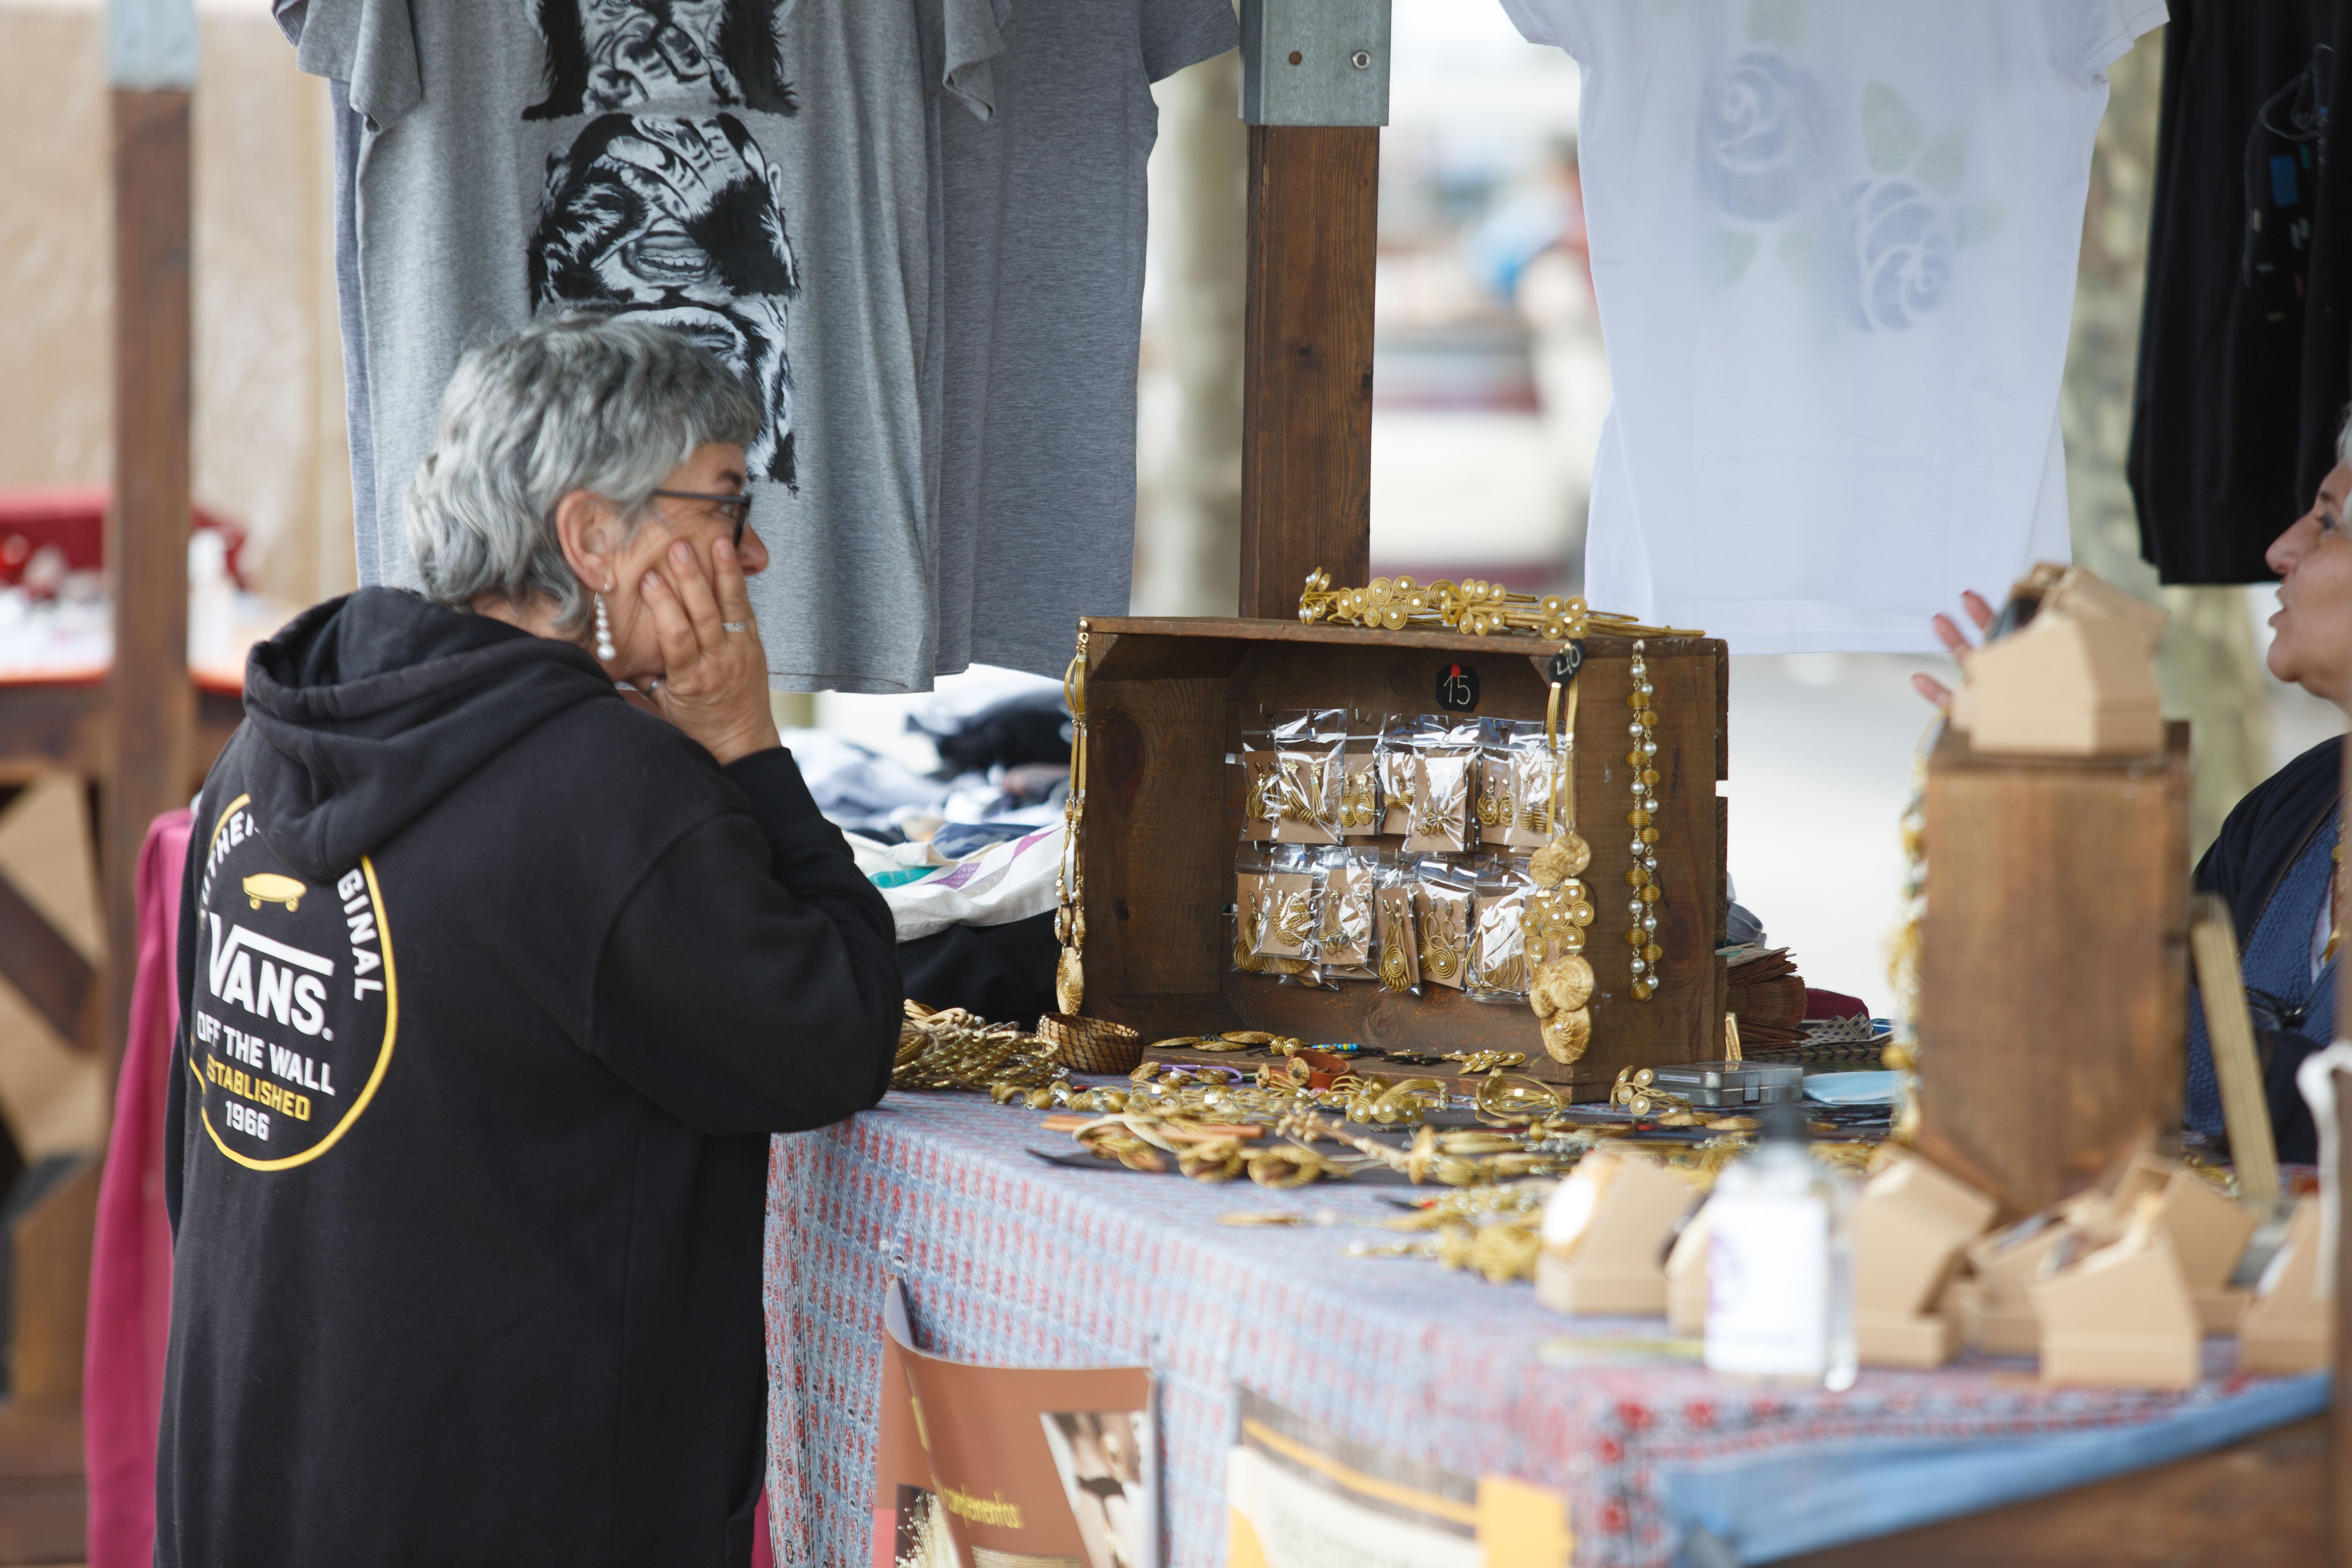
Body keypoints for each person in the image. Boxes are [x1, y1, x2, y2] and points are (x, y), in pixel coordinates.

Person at [157, 314, 902, 1566]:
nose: (755, 552)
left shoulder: (272, 745)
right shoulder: (606, 797)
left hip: (262, 1467)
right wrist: (745, 748)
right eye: (723, 505)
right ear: (591, 536)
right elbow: (833, 1034)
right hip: (499, 1498)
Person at [1916, 444, 2351, 1163]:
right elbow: (2108, 1028)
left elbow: (2154, 1038)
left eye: (2328, 523)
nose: (2281, 550)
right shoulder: (2296, 804)